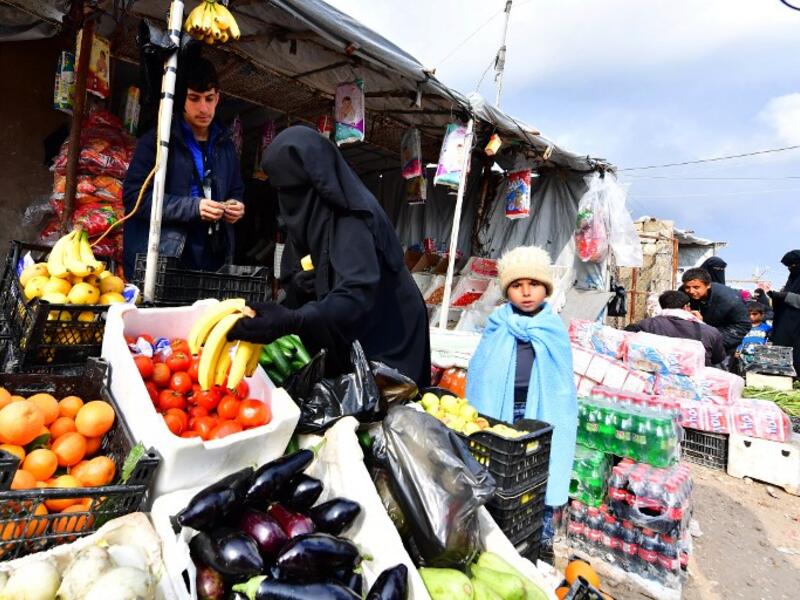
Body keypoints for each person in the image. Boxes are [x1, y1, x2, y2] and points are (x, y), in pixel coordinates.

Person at [226, 125, 430, 388]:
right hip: (356, 332)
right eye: (279, 190)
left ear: (313, 181)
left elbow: (356, 295)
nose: (285, 201)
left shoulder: (350, 217)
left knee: (388, 415)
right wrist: (300, 287)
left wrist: (293, 320)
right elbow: (298, 273)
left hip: (390, 331)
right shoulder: (311, 215)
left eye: (290, 190)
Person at [465, 245, 577, 562]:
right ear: (507, 290)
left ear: (546, 288)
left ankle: (540, 538)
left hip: (541, 415)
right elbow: (481, 370)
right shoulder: (498, 323)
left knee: (537, 475)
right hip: (501, 413)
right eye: (516, 285)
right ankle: (497, 531)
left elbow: (560, 383)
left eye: (534, 284)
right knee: (500, 473)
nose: (526, 292)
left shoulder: (553, 327)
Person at [122, 57, 245, 278]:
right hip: (165, 258)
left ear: (217, 98)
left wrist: (236, 205)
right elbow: (134, 199)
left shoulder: (226, 146)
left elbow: (236, 190)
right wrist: (193, 207)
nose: (203, 108)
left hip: (212, 259)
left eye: (209, 98)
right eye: (194, 98)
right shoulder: (158, 141)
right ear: (181, 98)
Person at [626, 290, 726, 367]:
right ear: (686, 307)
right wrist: (701, 323)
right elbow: (717, 359)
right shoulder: (710, 331)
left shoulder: (645, 324)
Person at [681, 267, 751, 357]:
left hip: (722, 344)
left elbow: (743, 325)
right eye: (687, 287)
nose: (691, 291)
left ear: (708, 285)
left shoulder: (729, 300)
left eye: (696, 287)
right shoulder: (683, 293)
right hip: (694, 343)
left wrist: (712, 339)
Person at [769, 250, 800, 375]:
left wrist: (786, 296)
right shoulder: (792, 279)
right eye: (788, 267)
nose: (790, 269)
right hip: (786, 327)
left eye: (793, 266)